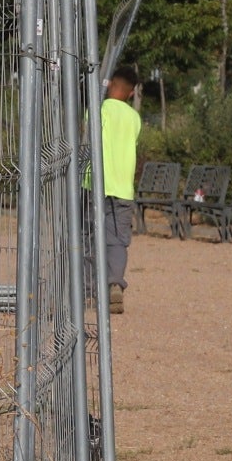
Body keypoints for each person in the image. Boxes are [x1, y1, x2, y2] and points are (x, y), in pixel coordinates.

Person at [86, 67, 143, 313]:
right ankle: (114, 285)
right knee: (117, 241)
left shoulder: (98, 110)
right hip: (122, 188)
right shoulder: (134, 118)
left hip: (93, 183)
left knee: (87, 237)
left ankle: (87, 291)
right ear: (131, 93)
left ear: (110, 85)